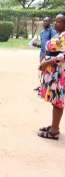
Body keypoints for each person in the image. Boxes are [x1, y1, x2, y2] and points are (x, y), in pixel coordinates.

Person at [37, 12, 65, 140]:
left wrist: (47, 62)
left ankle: (53, 132)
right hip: (54, 72)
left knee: (58, 101)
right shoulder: (60, 34)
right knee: (55, 101)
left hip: (59, 72)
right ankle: (55, 126)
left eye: (58, 21)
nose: (55, 23)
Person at [33, 17, 57, 90]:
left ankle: (48, 86)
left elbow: (54, 43)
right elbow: (43, 43)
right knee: (42, 70)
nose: (45, 22)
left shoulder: (52, 31)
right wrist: (37, 45)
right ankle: (41, 85)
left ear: (50, 22)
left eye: (47, 21)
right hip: (42, 54)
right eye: (44, 21)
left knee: (49, 70)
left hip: (48, 55)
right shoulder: (42, 32)